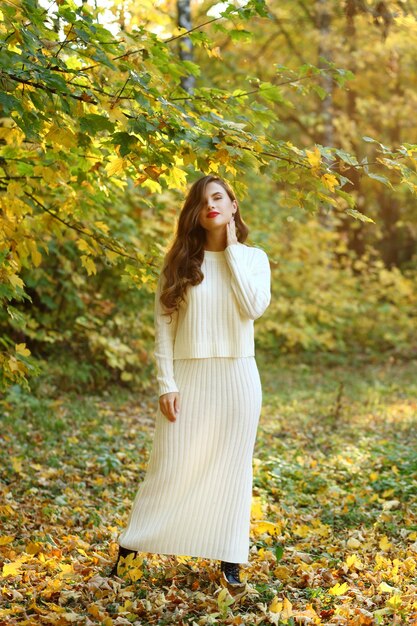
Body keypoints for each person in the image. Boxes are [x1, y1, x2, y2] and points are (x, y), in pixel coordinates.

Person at [110, 174, 271, 588]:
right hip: (189, 376)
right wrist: (166, 382)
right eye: (201, 202)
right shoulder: (180, 263)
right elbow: (163, 328)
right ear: (194, 214)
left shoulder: (254, 258)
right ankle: (130, 551)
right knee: (168, 466)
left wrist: (232, 250)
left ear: (233, 205)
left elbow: (253, 307)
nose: (210, 206)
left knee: (232, 471)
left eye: (218, 198)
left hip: (238, 377)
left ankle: (230, 562)